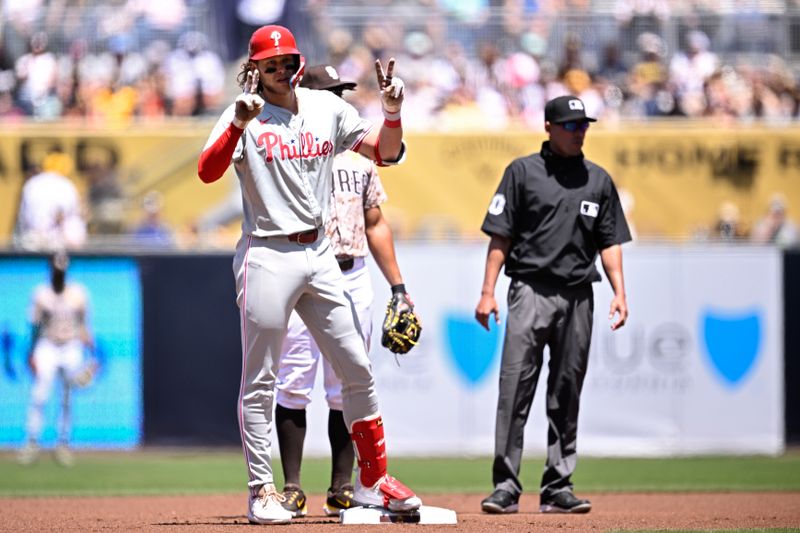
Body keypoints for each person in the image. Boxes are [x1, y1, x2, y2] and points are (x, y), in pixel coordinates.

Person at [197, 25, 420, 525]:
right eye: (270, 63)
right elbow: (207, 171)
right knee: (261, 379)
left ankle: (371, 483)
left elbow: (385, 151)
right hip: (267, 253)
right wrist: (236, 123)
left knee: (357, 367)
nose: (280, 69)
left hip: (320, 252)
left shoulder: (326, 108)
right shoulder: (243, 113)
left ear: (299, 61)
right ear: (254, 68)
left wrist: (392, 110)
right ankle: (261, 491)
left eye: (287, 60)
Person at [475, 95, 631, 515]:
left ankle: (558, 485)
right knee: (515, 389)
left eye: (583, 126)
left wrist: (620, 290)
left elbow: (610, 241)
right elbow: (500, 236)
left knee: (567, 390)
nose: (579, 132)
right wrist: (488, 291)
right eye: (570, 125)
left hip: (579, 293)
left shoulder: (597, 179)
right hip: (529, 288)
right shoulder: (523, 173)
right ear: (548, 126)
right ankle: (506, 485)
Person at [273, 64, 413, 518]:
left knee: (348, 383)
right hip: (300, 270)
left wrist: (398, 287)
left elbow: (375, 223)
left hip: (351, 273)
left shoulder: (358, 156)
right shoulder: (291, 148)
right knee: (293, 382)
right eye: (332, 91)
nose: (340, 97)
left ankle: (342, 486)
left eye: (342, 91)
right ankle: (291, 486)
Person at [17, 251, 96, 467]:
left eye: (61, 269)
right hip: (48, 344)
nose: (58, 273)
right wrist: (31, 353)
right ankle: (32, 442)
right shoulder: (41, 293)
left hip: (71, 344)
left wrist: (92, 353)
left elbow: (84, 326)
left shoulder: (78, 293)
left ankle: (62, 444)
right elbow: (34, 327)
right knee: (40, 393)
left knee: (67, 397)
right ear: (50, 270)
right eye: (55, 269)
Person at [13, 150, 87, 252]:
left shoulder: (31, 183)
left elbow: (22, 217)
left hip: (30, 241)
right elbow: (66, 216)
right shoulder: (66, 185)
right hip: (55, 244)